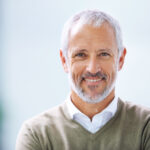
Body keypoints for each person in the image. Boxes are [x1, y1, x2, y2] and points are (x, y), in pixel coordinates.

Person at [16, 9, 150, 150]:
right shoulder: (37, 134)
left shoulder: (145, 127)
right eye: (81, 55)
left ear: (120, 59)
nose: (92, 69)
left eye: (103, 54)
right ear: (64, 61)